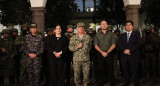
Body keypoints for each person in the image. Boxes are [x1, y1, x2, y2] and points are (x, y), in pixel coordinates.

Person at [119, 20, 141, 86]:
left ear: (132, 27)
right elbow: (119, 45)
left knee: (135, 72)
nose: (128, 26)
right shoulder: (122, 35)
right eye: (127, 25)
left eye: (129, 25)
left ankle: (136, 84)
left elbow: (138, 44)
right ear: (125, 27)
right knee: (125, 72)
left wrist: (130, 50)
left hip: (134, 56)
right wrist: (124, 50)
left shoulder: (137, 35)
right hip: (124, 57)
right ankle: (126, 83)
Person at [94, 20, 116, 86]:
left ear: (107, 25)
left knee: (110, 70)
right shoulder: (97, 35)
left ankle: (112, 83)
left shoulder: (111, 34)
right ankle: (101, 83)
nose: (104, 25)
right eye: (102, 24)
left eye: (105, 24)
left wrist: (107, 52)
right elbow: (96, 45)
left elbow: (113, 45)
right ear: (100, 26)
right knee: (100, 70)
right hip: (100, 55)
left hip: (109, 55)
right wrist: (102, 52)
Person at [69, 22, 91, 86]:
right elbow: (70, 48)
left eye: (82, 27)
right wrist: (77, 47)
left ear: (84, 28)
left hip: (86, 59)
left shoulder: (88, 37)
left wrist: (85, 52)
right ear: (77, 29)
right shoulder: (73, 38)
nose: (81, 28)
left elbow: (89, 47)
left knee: (86, 75)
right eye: (79, 27)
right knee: (77, 75)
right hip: (76, 60)